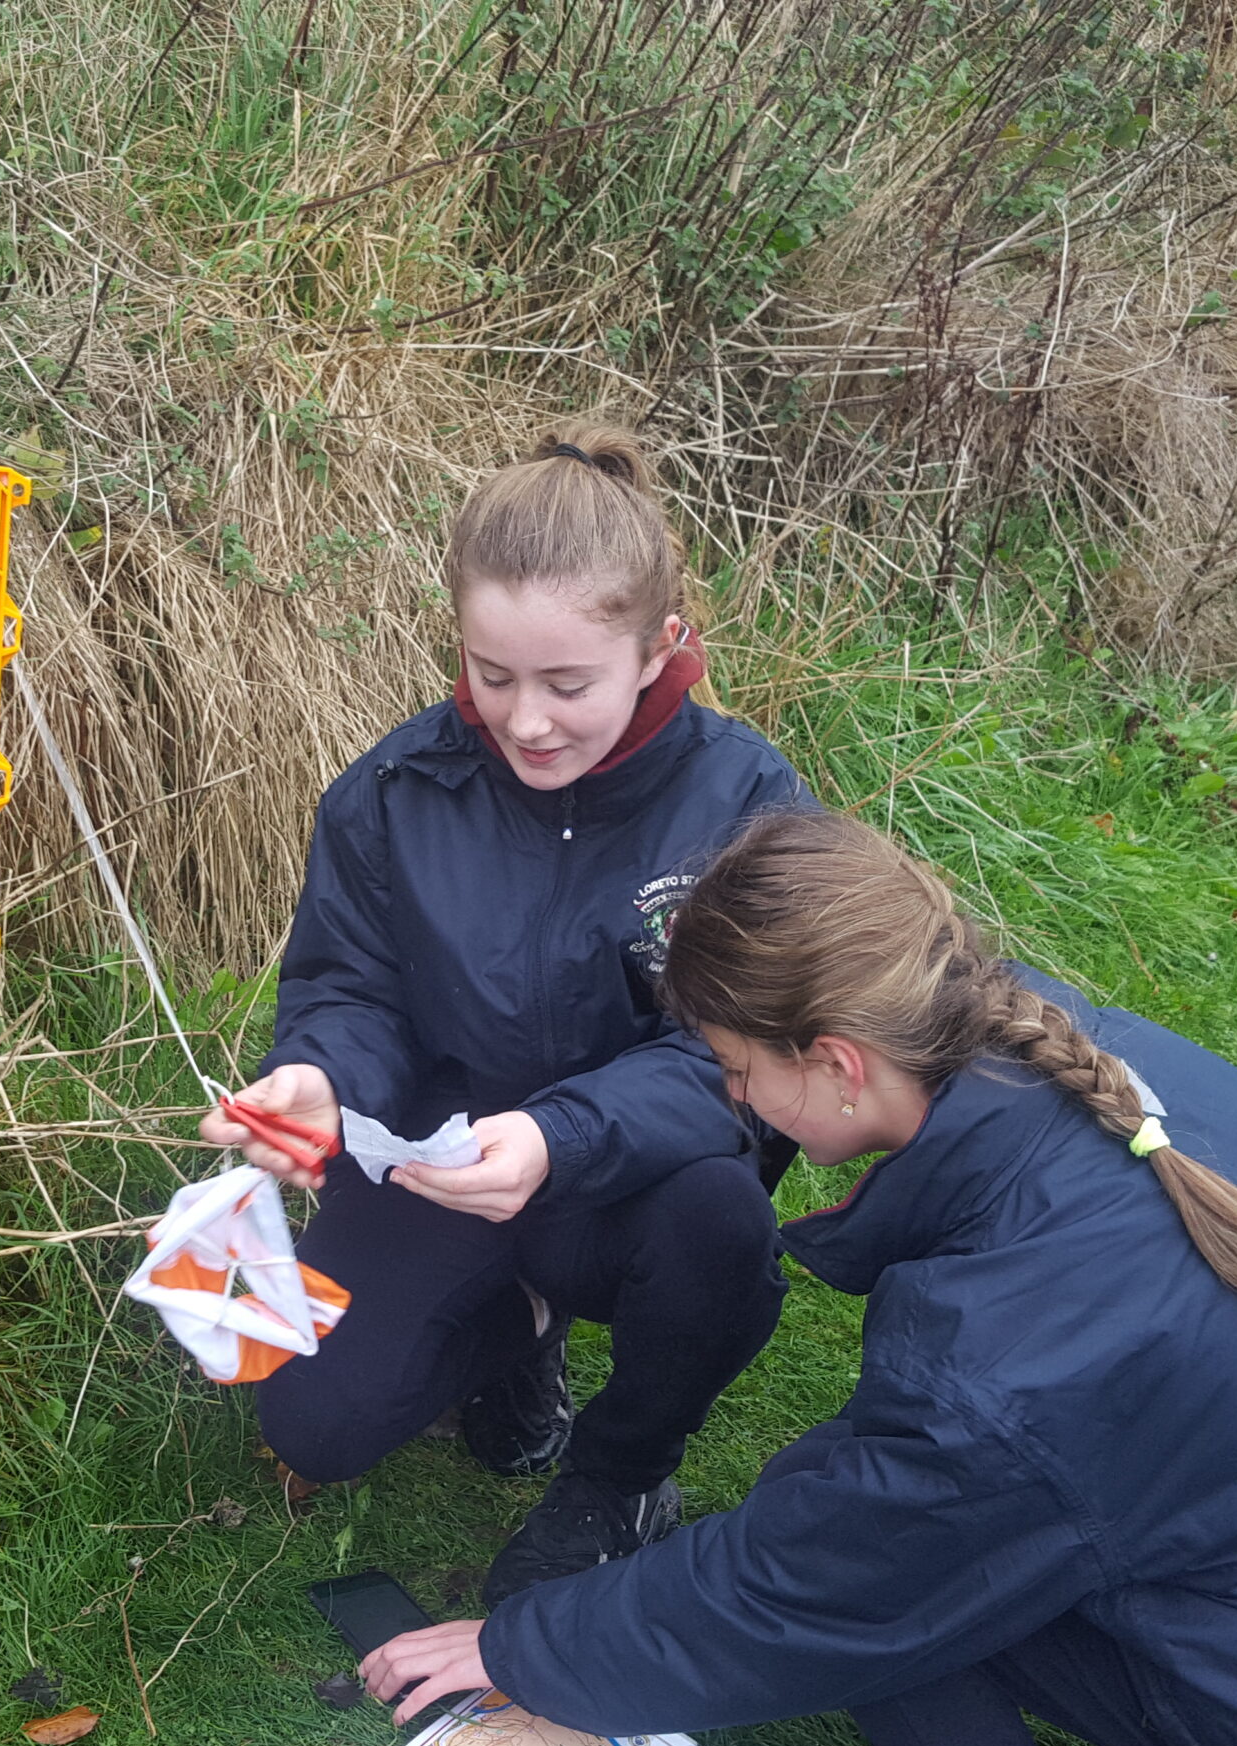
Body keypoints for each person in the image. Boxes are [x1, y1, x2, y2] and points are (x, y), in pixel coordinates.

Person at [362, 809, 1237, 1746]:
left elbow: (827, 1583)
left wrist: (522, 1647)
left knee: (882, 1609)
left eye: (736, 1072)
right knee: (864, 1529)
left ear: (834, 1063)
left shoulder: (1015, 1370)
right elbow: (929, 1466)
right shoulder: (1098, 1061)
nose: (737, 1101)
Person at [200, 420, 812, 1602]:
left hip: (640, 1175)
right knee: (315, 1423)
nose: (527, 720)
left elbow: (744, 1059)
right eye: (493, 676)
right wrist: (319, 1080)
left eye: (568, 683)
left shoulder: (749, 802)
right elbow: (350, 986)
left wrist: (562, 1138)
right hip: (443, 1154)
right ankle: (517, 1331)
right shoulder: (391, 794)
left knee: (721, 1226)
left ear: (659, 648)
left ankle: (620, 1472)